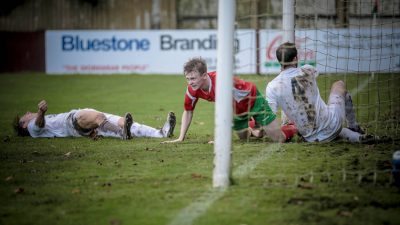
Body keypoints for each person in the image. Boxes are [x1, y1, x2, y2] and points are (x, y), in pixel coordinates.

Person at [265, 42, 382, 143]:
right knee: (339, 84)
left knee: (328, 130)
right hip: (332, 124)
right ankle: (354, 127)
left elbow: (270, 117)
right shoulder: (308, 69)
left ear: (279, 61)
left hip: (310, 137)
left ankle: (358, 137)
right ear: (295, 58)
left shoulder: (272, 86)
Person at [163, 57, 297, 144]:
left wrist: (220, 139)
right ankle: (255, 126)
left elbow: (223, 113)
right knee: (246, 138)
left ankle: (294, 126)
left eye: (193, 78)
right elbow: (188, 111)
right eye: (187, 78)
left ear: (204, 75)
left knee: (279, 139)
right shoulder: (192, 89)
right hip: (235, 110)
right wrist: (181, 137)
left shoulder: (221, 82)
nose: (190, 82)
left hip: (253, 100)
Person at [14, 100, 176, 140]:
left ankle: (160, 133)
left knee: (123, 121)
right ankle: (122, 133)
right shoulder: (31, 130)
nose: (28, 113)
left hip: (80, 120)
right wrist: (40, 112)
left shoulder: (35, 125)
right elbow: (37, 126)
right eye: (25, 116)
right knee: (100, 117)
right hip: (72, 122)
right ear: (24, 124)